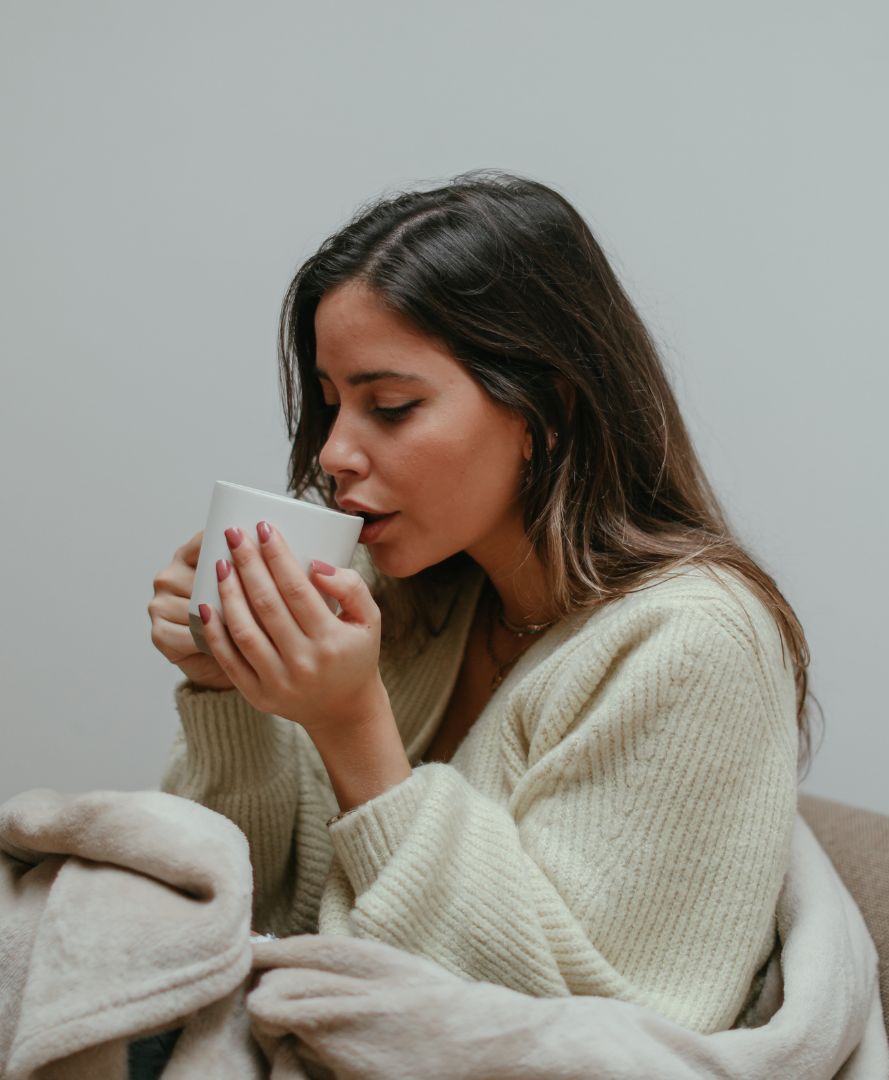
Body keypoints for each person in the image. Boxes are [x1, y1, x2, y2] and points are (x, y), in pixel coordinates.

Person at [147, 169, 820, 1039]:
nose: (337, 453)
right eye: (330, 405)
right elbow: (241, 918)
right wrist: (230, 690)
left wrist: (355, 731)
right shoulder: (414, 598)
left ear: (545, 406)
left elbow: (576, 1031)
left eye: (390, 406)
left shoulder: (695, 643)